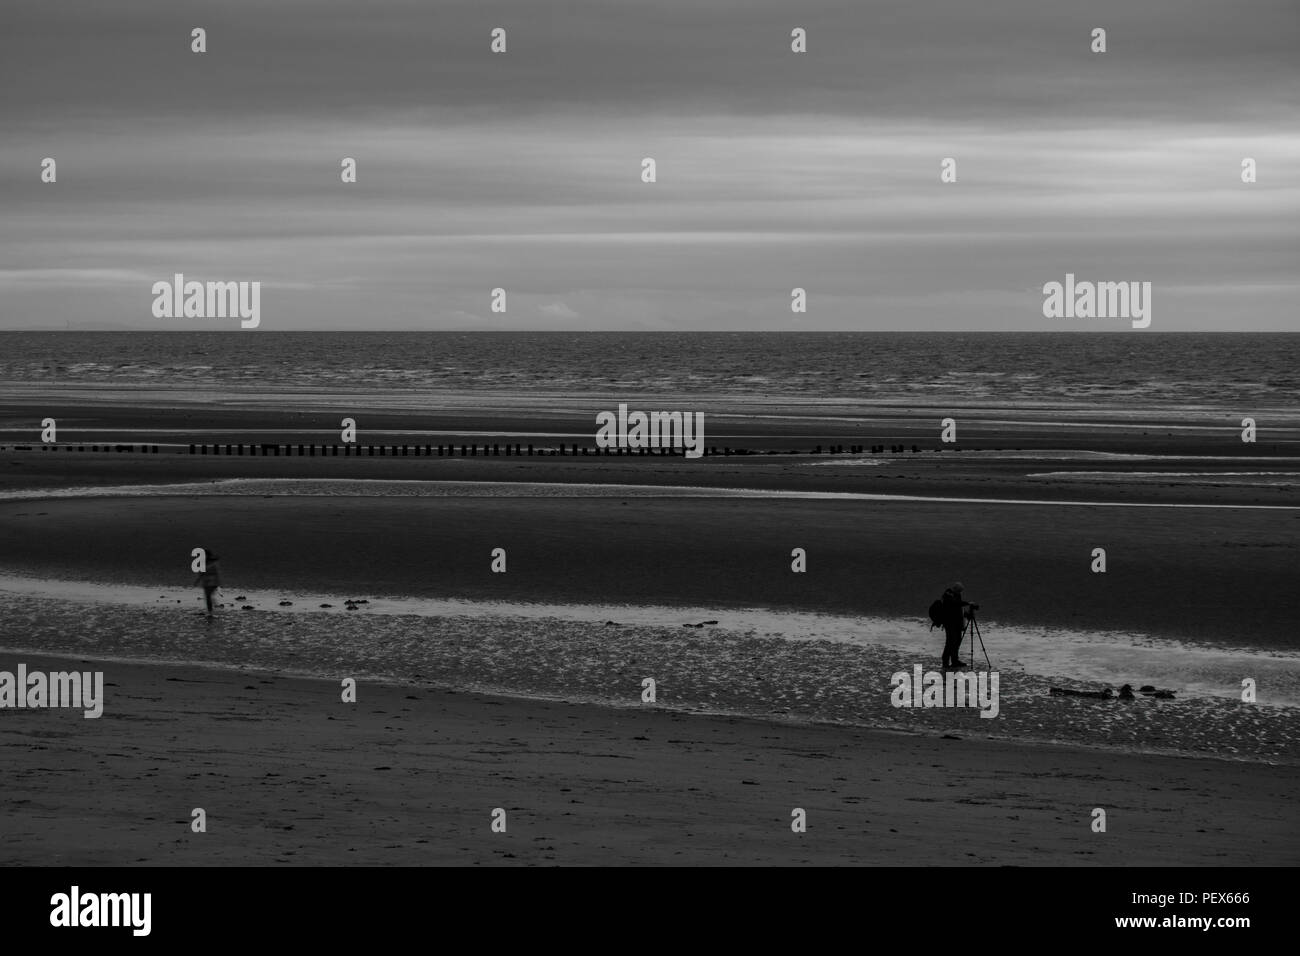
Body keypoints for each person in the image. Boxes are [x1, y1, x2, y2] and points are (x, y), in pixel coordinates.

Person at [940, 581, 971, 670]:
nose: (960, 593)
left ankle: (955, 661)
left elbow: (959, 607)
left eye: (961, 591)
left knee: (957, 641)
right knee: (950, 642)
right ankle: (945, 662)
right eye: (959, 591)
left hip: (957, 623)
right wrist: (967, 603)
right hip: (949, 623)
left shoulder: (957, 595)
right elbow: (955, 603)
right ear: (955, 589)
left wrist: (966, 614)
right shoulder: (948, 594)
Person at [195, 550, 222, 617]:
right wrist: (197, 581)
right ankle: (211, 611)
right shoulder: (203, 563)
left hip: (213, 582)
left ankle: (212, 610)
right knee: (207, 597)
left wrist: (219, 583)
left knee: (208, 596)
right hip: (206, 582)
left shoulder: (213, 563)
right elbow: (201, 573)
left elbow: (217, 573)